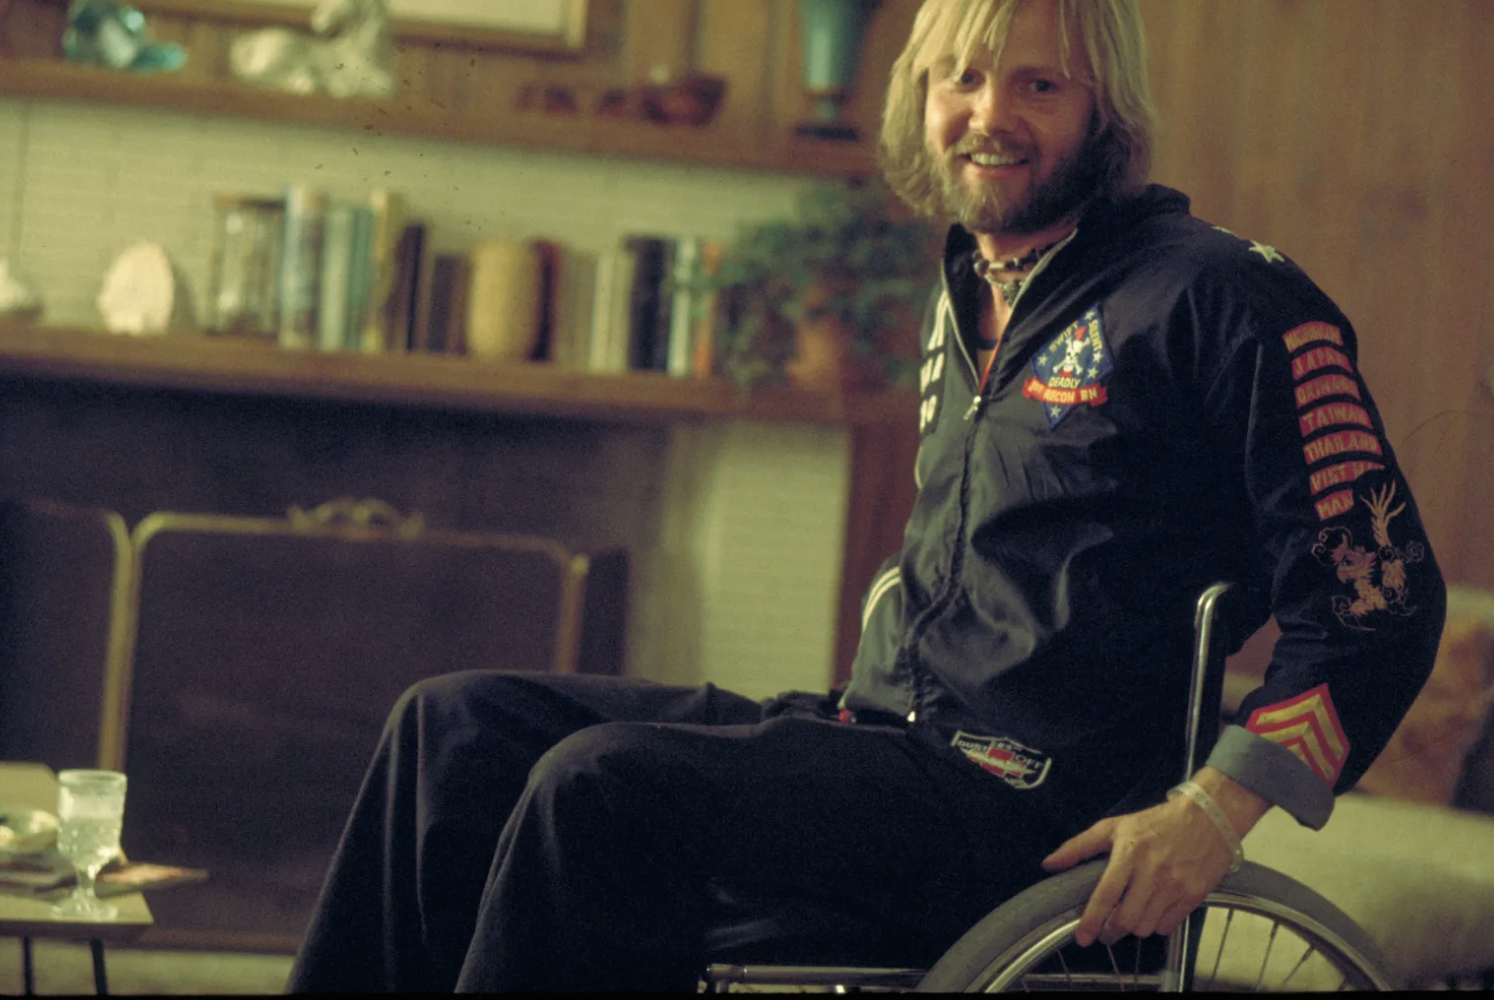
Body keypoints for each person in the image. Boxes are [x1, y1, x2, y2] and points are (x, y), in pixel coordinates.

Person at [287, 0, 1445, 992]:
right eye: (963, 76)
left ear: (1109, 110)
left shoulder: (1223, 297)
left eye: (1038, 83)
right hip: (882, 740)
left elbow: (1379, 598)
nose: (990, 113)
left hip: (1030, 814)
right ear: (924, 93)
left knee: (601, 789)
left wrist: (1211, 811)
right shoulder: (971, 289)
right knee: (452, 724)